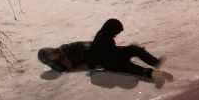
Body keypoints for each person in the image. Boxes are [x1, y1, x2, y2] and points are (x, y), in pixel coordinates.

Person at [37, 18, 165, 83]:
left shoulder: (66, 49)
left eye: (54, 53)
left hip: (100, 55)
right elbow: (60, 67)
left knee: (133, 49)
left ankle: (155, 62)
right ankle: (149, 73)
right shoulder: (57, 64)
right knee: (126, 66)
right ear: (48, 59)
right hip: (105, 60)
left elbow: (91, 47)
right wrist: (93, 66)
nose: (54, 55)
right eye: (51, 56)